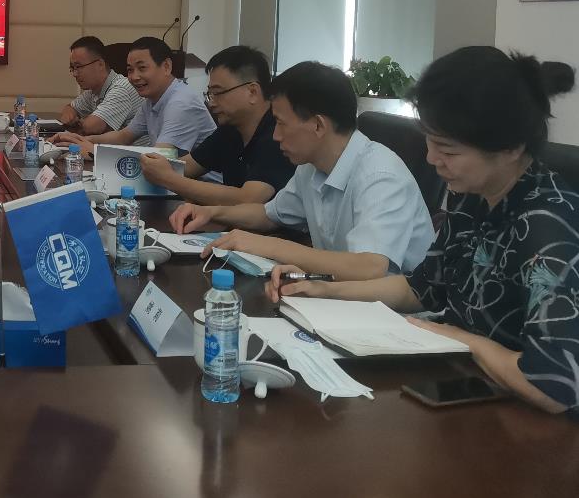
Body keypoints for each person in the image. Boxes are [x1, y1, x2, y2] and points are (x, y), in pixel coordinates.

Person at [266, 48, 578, 417]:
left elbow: (553, 385)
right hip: (462, 384)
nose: (431, 159)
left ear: (511, 148)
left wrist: (467, 341)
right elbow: (421, 288)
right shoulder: (474, 195)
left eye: (448, 150)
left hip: (526, 423)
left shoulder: (548, 224)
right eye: (428, 141)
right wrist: (324, 289)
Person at [171, 60, 432, 280]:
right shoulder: (311, 166)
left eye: (281, 123)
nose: (275, 135)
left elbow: (369, 267)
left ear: (318, 125)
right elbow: (269, 214)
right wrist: (211, 212)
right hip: (338, 297)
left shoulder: (380, 176)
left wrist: (270, 246)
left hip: (395, 316)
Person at [140, 46, 295, 205]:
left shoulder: (279, 134)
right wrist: (147, 164)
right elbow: (185, 167)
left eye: (218, 93)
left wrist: (169, 179)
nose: (211, 103)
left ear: (252, 92)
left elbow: (249, 198)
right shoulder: (230, 130)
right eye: (209, 94)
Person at [53, 36, 215, 156]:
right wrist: (74, 140)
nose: (134, 77)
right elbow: (123, 137)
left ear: (166, 66)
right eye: (130, 70)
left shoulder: (181, 103)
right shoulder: (152, 100)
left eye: (142, 68)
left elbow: (160, 158)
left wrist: (94, 151)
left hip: (202, 187)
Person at [55, 35, 143, 134]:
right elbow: (70, 107)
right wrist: (69, 116)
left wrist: (77, 123)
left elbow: (91, 128)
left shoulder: (121, 89)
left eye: (78, 67)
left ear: (100, 64)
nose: (75, 74)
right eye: (72, 68)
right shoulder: (94, 91)